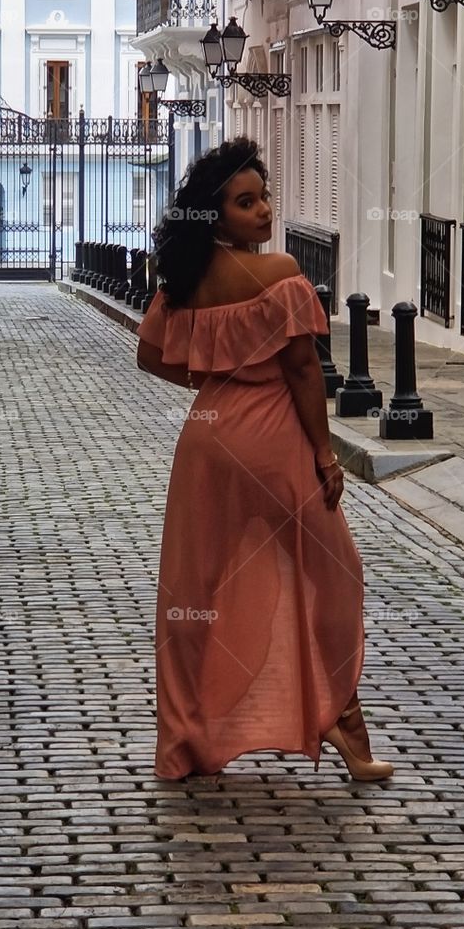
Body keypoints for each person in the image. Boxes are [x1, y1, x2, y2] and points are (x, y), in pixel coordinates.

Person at [135, 138, 393, 784]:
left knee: (197, 590)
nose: (263, 211)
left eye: (263, 198)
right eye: (245, 202)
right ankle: (341, 716)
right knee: (335, 574)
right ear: (216, 215)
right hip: (276, 440)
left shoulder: (186, 280)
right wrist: (325, 454)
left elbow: (151, 355)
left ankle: (186, 739)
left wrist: (215, 381)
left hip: (207, 441)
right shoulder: (279, 275)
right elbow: (305, 370)